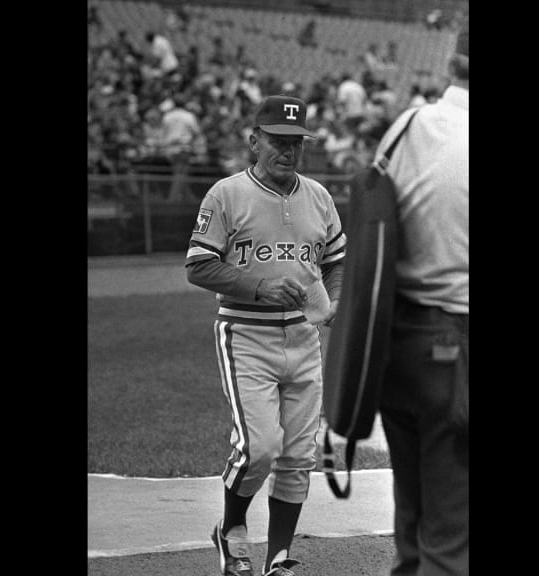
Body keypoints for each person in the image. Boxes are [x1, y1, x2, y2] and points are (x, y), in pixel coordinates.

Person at [186, 95, 346, 576]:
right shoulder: (226, 194)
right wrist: (259, 285)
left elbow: (335, 260)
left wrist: (333, 302)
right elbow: (198, 265)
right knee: (260, 449)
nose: (288, 151)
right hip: (245, 336)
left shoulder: (319, 196)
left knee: (299, 456)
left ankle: (278, 558)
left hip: (303, 340)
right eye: (278, 140)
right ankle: (232, 528)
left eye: (296, 143)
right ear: (255, 140)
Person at [340, 19, 469, 576]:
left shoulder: (408, 124)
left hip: (396, 344)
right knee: (453, 535)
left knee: (413, 526)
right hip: (456, 344)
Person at [161, 95, 204, 202]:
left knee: (180, 174)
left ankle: (189, 198)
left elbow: (164, 133)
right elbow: (197, 132)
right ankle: (172, 201)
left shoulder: (167, 116)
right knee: (180, 175)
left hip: (169, 149)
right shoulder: (188, 116)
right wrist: (190, 142)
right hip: (183, 148)